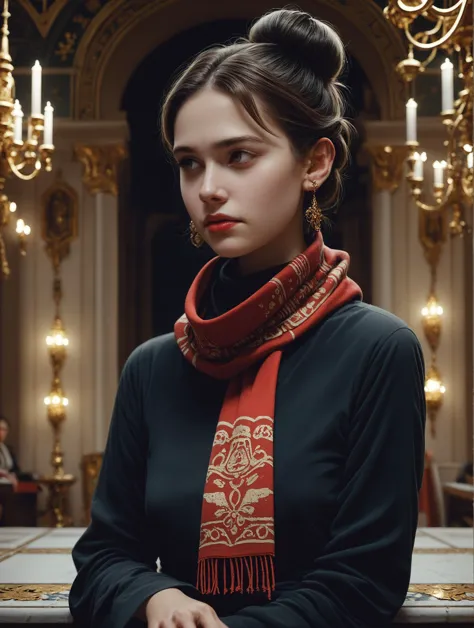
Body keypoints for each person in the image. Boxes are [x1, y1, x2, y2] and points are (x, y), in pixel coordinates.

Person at [69, 9, 426, 628]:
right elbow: (105, 556)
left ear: (314, 163)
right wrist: (156, 597)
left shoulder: (379, 351)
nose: (208, 187)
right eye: (189, 163)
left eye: (238, 156)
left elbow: (366, 579)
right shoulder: (154, 368)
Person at [0, 416, 20, 487]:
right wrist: (6, 475)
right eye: (0, 429)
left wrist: (13, 474)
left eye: (4, 430)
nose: (1, 432)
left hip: (8, 484)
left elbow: (15, 468)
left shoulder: (8, 449)